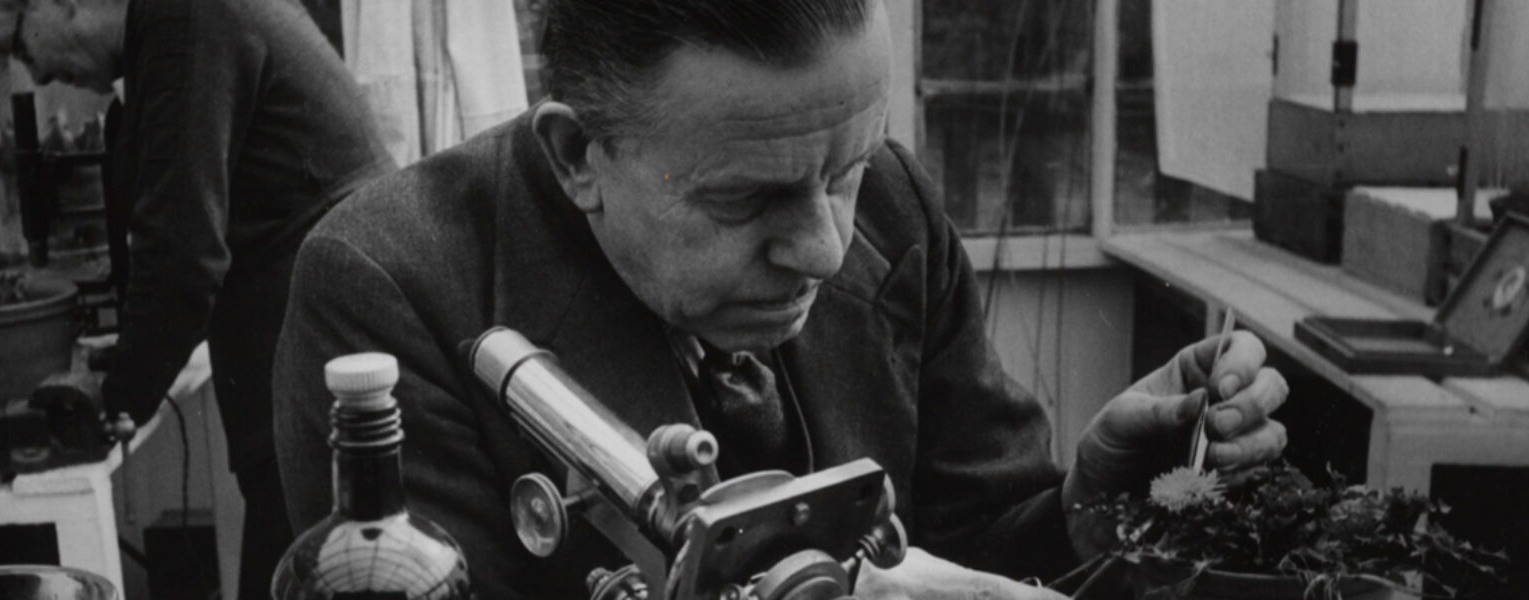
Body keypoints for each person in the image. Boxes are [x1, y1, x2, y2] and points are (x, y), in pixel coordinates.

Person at [273, 0, 1290, 597]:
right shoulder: (390, 286)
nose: (825, 247)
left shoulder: (891, 202)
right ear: (579, 155)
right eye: (746, 199)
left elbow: (976, 538)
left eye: (844, 170)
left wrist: (1089, 503)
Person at [0, 0, 394, 597]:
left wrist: (116, 398)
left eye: (20, 47)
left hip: (327, 370)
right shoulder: (174, 25)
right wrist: (127, 362)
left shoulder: (185, 19)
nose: (40, 74)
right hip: (324, 360)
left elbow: (182, 252)